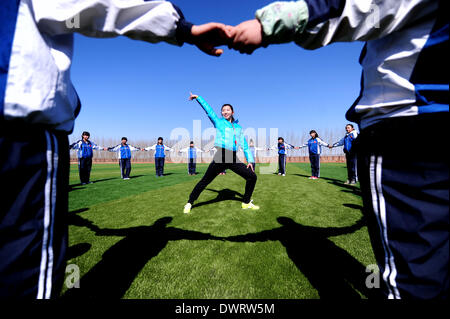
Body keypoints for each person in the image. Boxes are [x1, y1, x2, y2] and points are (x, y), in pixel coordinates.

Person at [0, 0, 232, 298]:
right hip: (21, 132)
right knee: (25, 269)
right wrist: (182, 29)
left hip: (20, 131)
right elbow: (98, 7)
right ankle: (184, 195)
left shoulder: (234, 128)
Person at [228, 0, 448, 299]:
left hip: (407, 128)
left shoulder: (315, 139)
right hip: (418, 128)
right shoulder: (300, 142)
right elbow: (302, 144)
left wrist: (269, 24)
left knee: (413, 281)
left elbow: (365, 6)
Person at [183, 93, 259, 214]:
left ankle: (246, 202)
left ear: (232, 112)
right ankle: (190, 202)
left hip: (233, 158)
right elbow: (209, 110)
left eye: (228, 110)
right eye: (223, 110)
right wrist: (198, 98)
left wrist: (250, 160)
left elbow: (244, 145)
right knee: (205, 181)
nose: (225, 112)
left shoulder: (238, 127)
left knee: (252, 177)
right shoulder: (218, 122)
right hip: (221, 156)